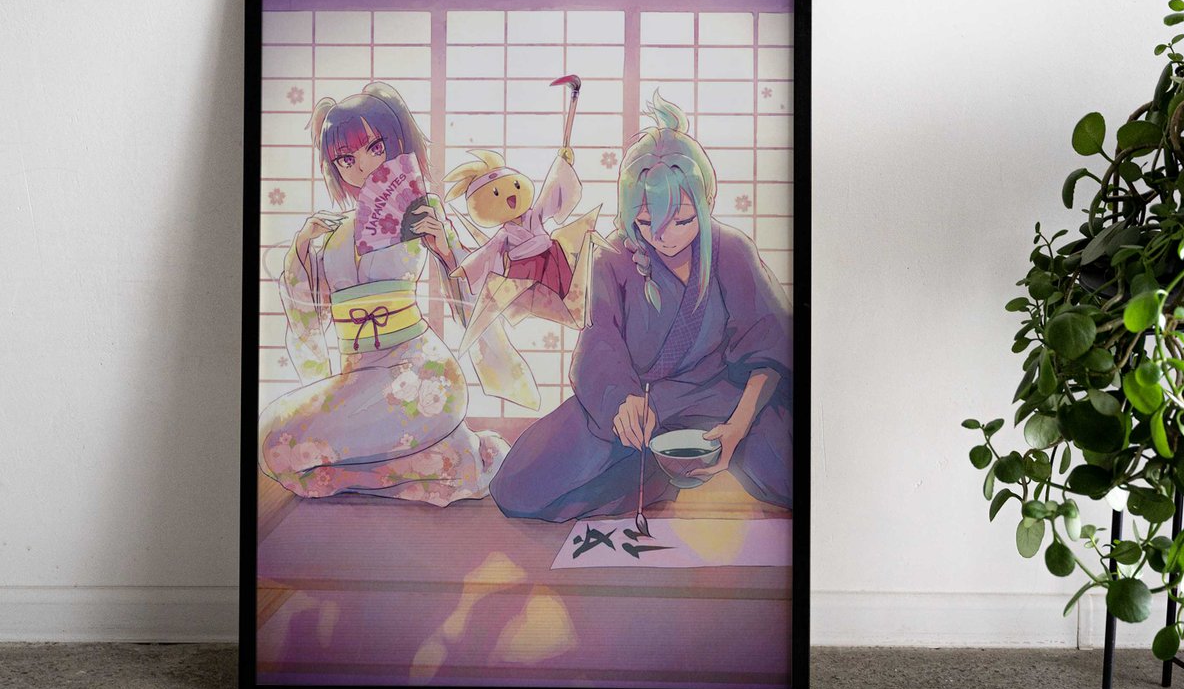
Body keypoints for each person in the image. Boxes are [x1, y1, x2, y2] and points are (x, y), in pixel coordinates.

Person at [490, 93, 794, 521]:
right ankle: (653, 471)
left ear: (706, 203)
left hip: (724, 397)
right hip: (645, 403)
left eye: (682, 220)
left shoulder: (731, 250)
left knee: (797, 475)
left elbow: (771, 347)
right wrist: (622, 402)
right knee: (519, 487)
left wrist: (738, 426)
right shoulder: (614, 255)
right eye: (647, 222)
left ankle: (675, 462)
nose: (664, 237)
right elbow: (600, 341)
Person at [258, 82, 527, 506]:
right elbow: (307, 310)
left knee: (313, 447)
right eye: (346, 159)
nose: (362, 167)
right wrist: (303, 252)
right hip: (356, 374)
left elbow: (473, 287)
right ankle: (419, 464)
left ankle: (384, 467)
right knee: (274, 438)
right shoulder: (329, 234)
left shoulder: (421, 210)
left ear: (396, 145)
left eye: (374, 148)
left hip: (420, 372)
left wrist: (445, 250)